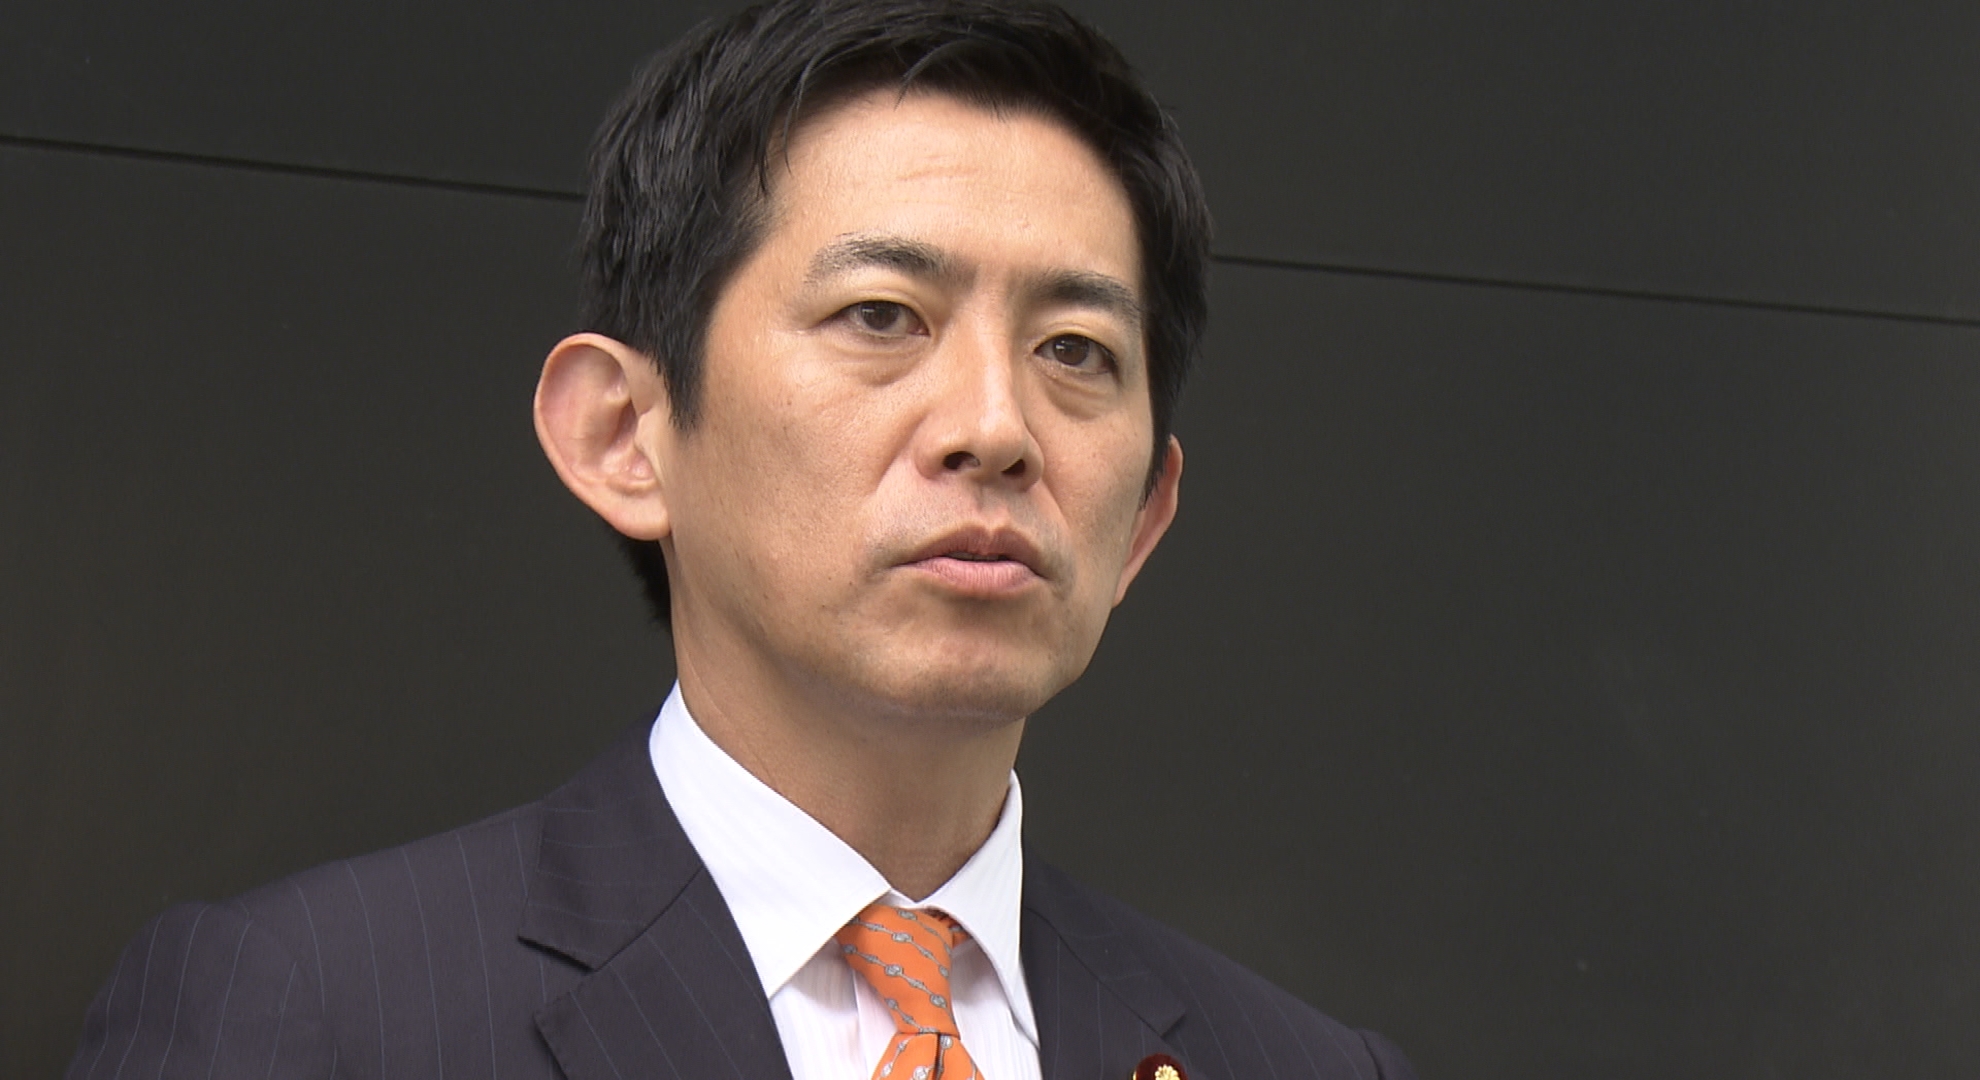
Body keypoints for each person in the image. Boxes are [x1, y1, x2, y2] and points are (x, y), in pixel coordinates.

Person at [67, 1, 1418, 1078]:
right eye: (882, 316)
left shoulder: (1296, 1064)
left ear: (1145, 521)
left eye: (1075, 349)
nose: (996, 428)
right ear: (624, 434)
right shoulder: (309, 1015)